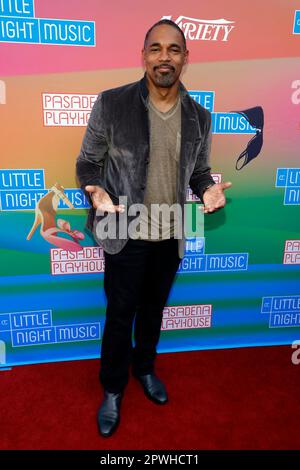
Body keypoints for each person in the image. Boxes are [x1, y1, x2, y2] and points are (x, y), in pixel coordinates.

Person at [76, 19, 232, 438]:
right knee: (119, 314)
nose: (165, 57)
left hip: (170, 231)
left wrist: (208, 192)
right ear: (144, 55)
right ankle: (112, 389)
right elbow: (87, 163)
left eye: (174, 49)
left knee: (152, 312)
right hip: (125, 232)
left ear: (185, 58)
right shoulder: (112, 104)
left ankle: (144, 369)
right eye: (156, 48)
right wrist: (96, 195)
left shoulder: (199, 116)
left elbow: (199, 172)